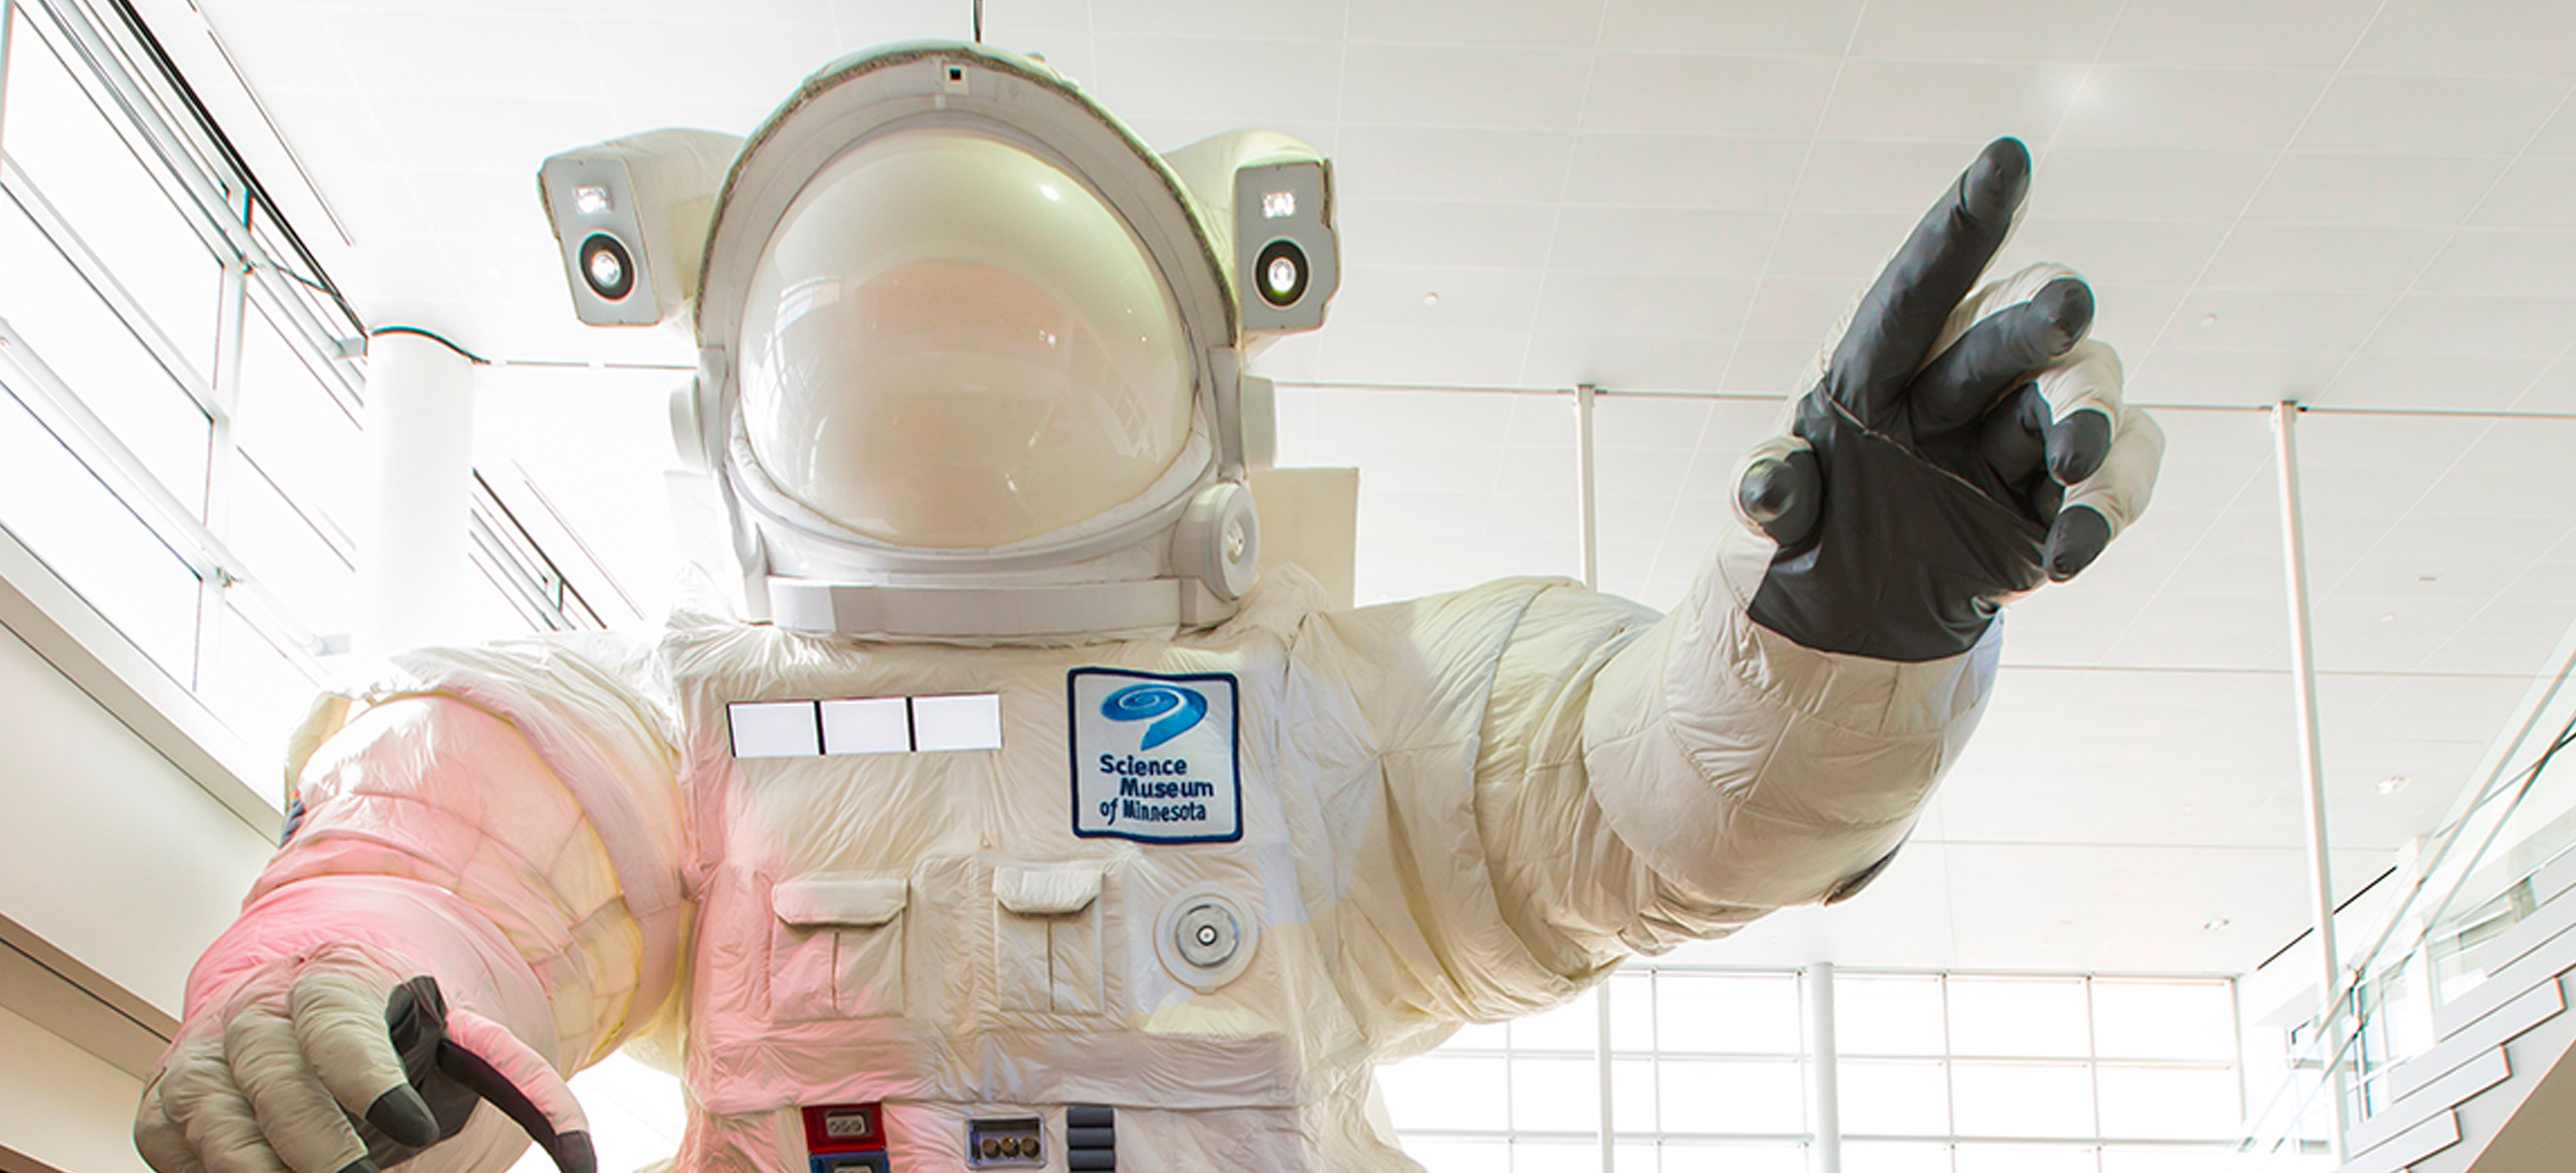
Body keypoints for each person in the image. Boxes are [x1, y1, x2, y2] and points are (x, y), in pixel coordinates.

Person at [134, 42, 2161, 1173]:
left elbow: (1637, 789)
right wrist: (347, 1001)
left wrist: (1821, 644)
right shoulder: (682, 726)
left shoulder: (1327, 707)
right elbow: (448, 865)